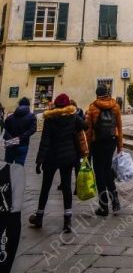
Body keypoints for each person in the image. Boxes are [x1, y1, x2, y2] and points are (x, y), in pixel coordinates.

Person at [29, 93, 87, 233]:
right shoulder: (73, 117)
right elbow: (85, 126)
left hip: (51, 157)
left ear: (55, 104)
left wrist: (39, 161)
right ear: (68, 105)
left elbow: (45, 140)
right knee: (66, 187)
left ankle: (39, 216)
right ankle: (67, 221)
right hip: (68, 158)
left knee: (45, 187)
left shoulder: (50, 118)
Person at [86, 84, 123, 216]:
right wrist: (119, 146)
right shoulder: (116, 106)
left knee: (99, 174)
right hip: (111, 142)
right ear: (107, 93)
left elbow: (89, 131)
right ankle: (116, 202)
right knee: (108, 171)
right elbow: (119, 127)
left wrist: (87, 149)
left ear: (97, 94)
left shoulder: (92, 108)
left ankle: (104, 206)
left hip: (98, 144)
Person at [3, 97, 37, 165]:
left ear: (19, 105)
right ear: (28, 105)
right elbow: (32, 130)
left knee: (8, 165)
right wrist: (19, 139)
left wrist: (12, 140)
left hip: (10, 144)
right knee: (19, 167)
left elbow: (4, 131)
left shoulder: (10, 117)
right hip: (23, 144)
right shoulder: (32, 117)